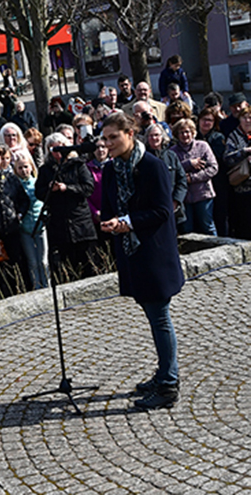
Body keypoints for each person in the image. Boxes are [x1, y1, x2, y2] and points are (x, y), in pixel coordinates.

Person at [100, 111, 184, 410]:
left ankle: (168, 385)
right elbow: (108, 206)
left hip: (154, 254)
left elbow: (163, 211)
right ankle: (163, 372)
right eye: (105, 138)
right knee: (152, 316)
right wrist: (109, 221)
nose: (108, 143)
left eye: (114, 137)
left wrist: (127, 222)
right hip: (131, 253)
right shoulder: (111, 170)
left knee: (160, 318)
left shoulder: (153, 166)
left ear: (130, 134)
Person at [35, 134, 98, 282]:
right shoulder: (46, 170)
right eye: (53, 149)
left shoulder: (78, 165)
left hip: (81, 223)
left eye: (60, 148)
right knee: (66, 270)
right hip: (59, 225)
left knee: (89, 267)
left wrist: (66, 188)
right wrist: (50, 189)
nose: (57, 152)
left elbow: (88, 188)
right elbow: (39, 193)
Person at [170, 118, 218, 235]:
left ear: (193, 133)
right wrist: (189, 164)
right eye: (181, 132)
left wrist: (192, 178)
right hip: (184, 198)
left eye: (187, 132)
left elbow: (213, 168)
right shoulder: (172, 152)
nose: (185, 135)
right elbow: (171, 171)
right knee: (187, 229)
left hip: (203, 194)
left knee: (207, 227)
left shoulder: (203, 146)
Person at [13, 148, 48, 290]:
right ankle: (36, 287)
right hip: (25, 228)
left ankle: (47, 285)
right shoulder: (16, 185)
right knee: (32, 261)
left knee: (43, 260)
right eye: (20, 168)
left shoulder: (37, 182)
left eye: (26, 167)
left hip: (40, 226)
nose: (24, 170)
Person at [144, 124, 188, 229]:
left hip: (174, 210)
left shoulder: (171, 156)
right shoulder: (143, 158)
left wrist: (176, 201)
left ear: (163, 136)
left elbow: (182, 180)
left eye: (156, 135)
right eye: (151, 136)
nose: (154, 138)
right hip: (151, 211)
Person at [197, 107, 229, 236]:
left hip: (217, 181)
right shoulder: (194, 137)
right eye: (204, 120)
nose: (206, 123)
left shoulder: (218, 137)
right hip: (199, 185)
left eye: (210, 120)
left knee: (220, 215)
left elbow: (217, 157)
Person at [224, 105, 251, 239]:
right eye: (244, 118)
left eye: (250, 118)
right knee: (245, 224)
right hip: (242, 188)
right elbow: (227, 159)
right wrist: (244, 152)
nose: (247, 121)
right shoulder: (234, 136)